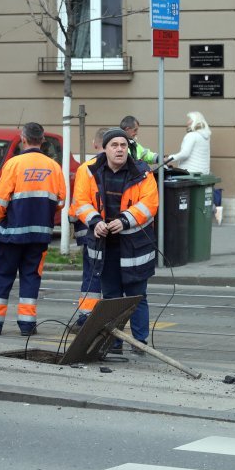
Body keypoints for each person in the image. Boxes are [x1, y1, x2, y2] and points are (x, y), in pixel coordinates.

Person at [71, 128, 159, 354]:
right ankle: (113, 343)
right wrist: (95, 221)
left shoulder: (143, 173)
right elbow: (80, 201)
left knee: (136, 296)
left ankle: (140, 343)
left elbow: (150, 204)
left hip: (135, 245)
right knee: (110, 297)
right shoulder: (88, 170)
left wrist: (125, 220)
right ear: (105, 148)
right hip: (105, 244)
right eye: (114, 145)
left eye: (123, 145)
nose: (119, 149)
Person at [0, 122, 66, 336]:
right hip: (40, 234)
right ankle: (27, 325)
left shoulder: (14, 164)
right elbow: (61, 201)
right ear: (42, 140)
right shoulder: (54, 167)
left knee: (2, 276)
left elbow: (0, 201)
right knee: (31, 276)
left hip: (12, 235)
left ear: (23, 139)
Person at [68, 127, 109, 331]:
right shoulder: (121, 165)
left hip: (90, 231)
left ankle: (86, 318)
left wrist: (71, 219)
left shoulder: (87, 168)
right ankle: (109, 318)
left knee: (92, 274)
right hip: (113, 231)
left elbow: (78, 204)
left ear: (95, 144)